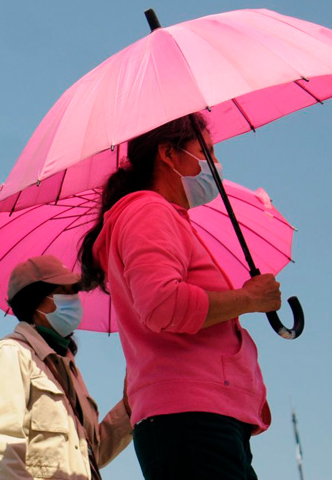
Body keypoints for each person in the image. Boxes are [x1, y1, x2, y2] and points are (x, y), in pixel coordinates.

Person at [77, 114, 282, 480]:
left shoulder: (161, 216)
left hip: (198, 418)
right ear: (169, 155)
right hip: (193, 420)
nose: (215, 165)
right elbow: (163, 305)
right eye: (207, 151)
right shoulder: (149, 211)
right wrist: (247, 299)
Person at [0, 255, 132, 480]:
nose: (74, 299)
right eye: (64, 291)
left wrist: (130, 404)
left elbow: (91, 453)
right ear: (38, 301)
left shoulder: (66, 367)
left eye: (74, 291)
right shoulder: (9, 354)